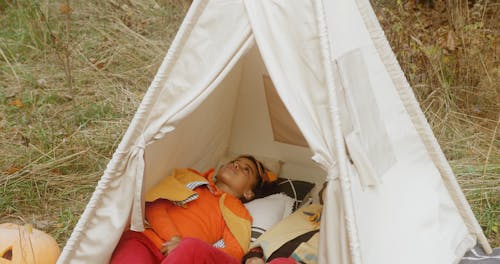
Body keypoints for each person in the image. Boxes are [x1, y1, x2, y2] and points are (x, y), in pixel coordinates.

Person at [110, 155, 277, 264]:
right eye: (235, 162)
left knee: (187, 249)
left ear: (248, 193)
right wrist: (174, 239)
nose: (236, 165)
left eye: (246, 169)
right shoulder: (191, 178)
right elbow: (155, 205)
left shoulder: (239, 214)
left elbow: (232, 253)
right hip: (145, 240)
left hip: (185, 258)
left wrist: (186, 248)